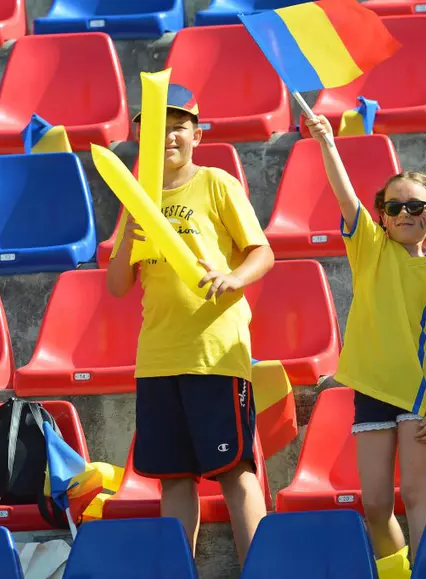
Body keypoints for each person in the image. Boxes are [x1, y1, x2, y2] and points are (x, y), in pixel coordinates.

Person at [106, 84, 274, 563]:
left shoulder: (217, 182)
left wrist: (233, 276)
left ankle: (260, 570)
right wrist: (126, 242)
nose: (169, 137)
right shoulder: (137, 196)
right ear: (141, 136)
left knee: (233, 470)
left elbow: (262, 252)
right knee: (173, 476)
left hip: (214, 351)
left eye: (178, 127)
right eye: (157, 128)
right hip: (157, 357)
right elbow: (118, 285)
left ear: (196, 134)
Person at [306, 115, 426, 563]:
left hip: (420, 397)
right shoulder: (369, 247)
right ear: (381, 215)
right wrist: (326, 142)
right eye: (395, 207)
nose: (404, 214)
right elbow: (344, 195)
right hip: (372, 392)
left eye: (416, 207)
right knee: (377, 505)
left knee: (417, 496)